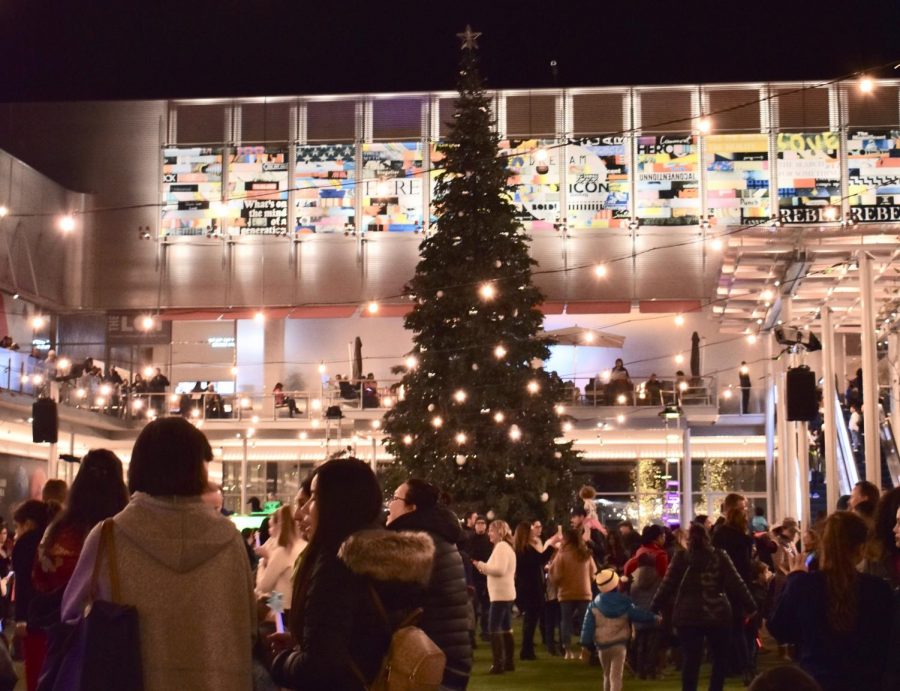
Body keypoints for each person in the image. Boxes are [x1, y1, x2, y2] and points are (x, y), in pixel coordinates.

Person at [61, 418, 256, 691]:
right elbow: (247, 624)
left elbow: (70, 615)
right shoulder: (229, 540)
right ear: (197, 469)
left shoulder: (109, 537)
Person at [270, 458, 435, 689]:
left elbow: (322, 667)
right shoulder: (388, 559)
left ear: (337, 503)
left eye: (315, 497)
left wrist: (282, 661)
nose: (303, 511)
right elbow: (361, 638)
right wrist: (306, 643)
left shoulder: (337, 563)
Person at [768, 511, 893, 691]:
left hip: (817, 680)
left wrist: (793, 580)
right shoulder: (877, 589)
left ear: (824, 546)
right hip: (865, 682)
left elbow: (780, 628)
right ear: (861, 548)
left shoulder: (805, 585)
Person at [385, 478, 472, 690]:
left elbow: (399, 599)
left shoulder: (417, 542)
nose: (389, 504)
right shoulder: (438, 536)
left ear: (411, 508)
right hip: (450, 657)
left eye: (395, 498)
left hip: (431, 661)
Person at [652, 523, 755, 691]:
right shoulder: (720, 556)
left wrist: (654, 607)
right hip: (718, 613)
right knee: (720, 660)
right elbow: (737, 584)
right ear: (708, 539)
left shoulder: (681, 557)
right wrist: (751, 607)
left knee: (691, 660)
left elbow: (667, 585)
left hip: (687, 615)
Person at [580, 568, 658, 691]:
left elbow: (587, 625)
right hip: (619, 644)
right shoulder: (624, 603)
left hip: (602, 645)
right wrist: (654, 618)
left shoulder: (593, 605)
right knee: (616, 676)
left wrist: (585, 645)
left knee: (606, 675)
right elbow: (638, 614)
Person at [11, 500, 51, 691]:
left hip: (33, 618)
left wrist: (20, 618)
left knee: (35, 673)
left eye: (18, 526)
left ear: (28, 523)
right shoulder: (54, 538)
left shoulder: (25, 543)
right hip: (56, 617)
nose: (16, 532)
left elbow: (22, 584)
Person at [473, 519, 516, 674]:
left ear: (499, 532)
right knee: (506, 628)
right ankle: (509, 662)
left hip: (500, 595)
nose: (489, 533)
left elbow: (499, 570)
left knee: (493, 627)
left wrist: (481, 566)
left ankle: (498, 664)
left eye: (491, 530)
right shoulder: (505, 547)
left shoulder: (501, 547)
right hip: (505, 593)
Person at [548, 527, 597, 659]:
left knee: (566, 621)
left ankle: (568, 650)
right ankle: (584, 649)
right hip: (584, 591)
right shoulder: (585, 553)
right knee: (585, 622)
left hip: (566, 592)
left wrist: (559, 584)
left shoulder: (562, 554)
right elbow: (593, 572)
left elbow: (555, 574)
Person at [513, 520, 557, 661]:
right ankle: (526, 650)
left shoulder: (520, 550)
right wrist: (551, 546)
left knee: (529, 620)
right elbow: (540, 559)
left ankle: (527, 649)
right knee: (531, 620)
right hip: (531, 589)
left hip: (525, 588)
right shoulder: (526, 550)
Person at [256, 505, 305, 619]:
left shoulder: (283, 551)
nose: (270, 530)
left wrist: (263, 562)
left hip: (282, 610)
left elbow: (263, 586)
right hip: (296, 606)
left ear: (279, 525)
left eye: (272, 526)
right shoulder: (304, 546)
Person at [628, 552, 663, 680]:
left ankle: (639, 671)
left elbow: (630, 597)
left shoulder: (633, 578)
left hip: (638, 615)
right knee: (652, 646)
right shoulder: (658, 577)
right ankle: (651, 671)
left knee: (640, 644)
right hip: (653, 614)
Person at [467, 515, 493, 642]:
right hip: (474, 577)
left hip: (487, 576)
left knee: (486, 606)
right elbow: (468, 556)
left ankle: (485, 631)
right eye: (479, 523)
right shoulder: (470, 539)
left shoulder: (489, 540)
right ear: (475, 525)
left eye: (483, 523)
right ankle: (472, 634)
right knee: (474, 607)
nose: (481, 525)